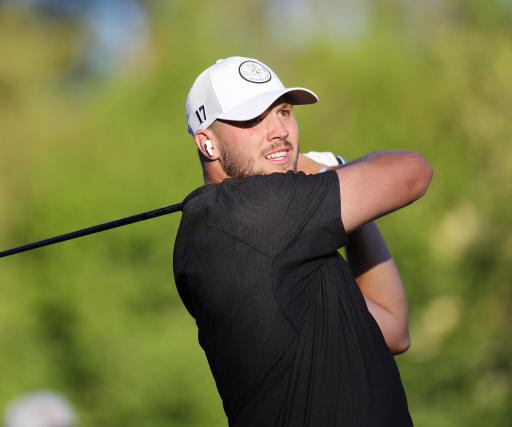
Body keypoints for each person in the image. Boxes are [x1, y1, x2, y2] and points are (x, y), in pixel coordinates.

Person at [173, 56, 433, 426]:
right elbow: (414, 171)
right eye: (252, 119)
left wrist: (341, 200)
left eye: (283, 112)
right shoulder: (251, 213)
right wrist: (332, 169)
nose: (278, 130)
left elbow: (393, 329)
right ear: (208, 144)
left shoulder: (256, 236)